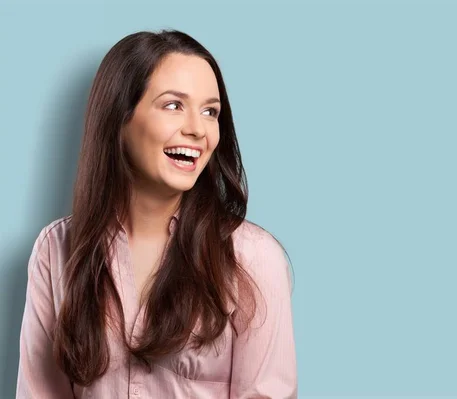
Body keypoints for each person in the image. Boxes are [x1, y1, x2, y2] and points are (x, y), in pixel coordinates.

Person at [15, 29, 297, 398]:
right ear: (119, 118)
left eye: (210, 111)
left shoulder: (254, 259)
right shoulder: (56, 250)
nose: (197, 129)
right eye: (173, 105)